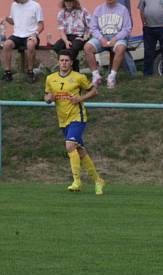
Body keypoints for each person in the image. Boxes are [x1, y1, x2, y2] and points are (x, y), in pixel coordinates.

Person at [44, 49, 107, 195]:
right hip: (63, 119)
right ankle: (98, 180)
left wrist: (80, 99)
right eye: (62, 60)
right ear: (58, 62)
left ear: (71, 63)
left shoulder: (79, 77)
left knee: (70, 145)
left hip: (77, 117)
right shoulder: (50, 78)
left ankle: (77, 181)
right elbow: (47, 96)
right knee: (79, 150)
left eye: (67, 60)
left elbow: (94, 91)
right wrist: (48, 99)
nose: (64, 63)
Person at [84, 0, 132, 89]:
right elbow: (93, 28)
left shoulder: (123, 9)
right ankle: (96, 76)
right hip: (102, 37)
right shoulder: (98, 9)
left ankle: (112, 77)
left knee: (121, 48)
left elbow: (127, 28)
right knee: (88, 47)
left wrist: (116, 38)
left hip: (117, 37)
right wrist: (101, 38)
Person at [2, 0, 44, 83]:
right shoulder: (14, 5)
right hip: (17, 35)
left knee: (30, 45)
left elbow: (41, 25)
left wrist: (35, 34)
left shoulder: (35, 5)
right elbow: (14, 21)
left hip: (31, 35)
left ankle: (30, 72)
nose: (14, 1)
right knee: (7, 44)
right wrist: (6, 18)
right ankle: (8, 73)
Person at [138, 0, 163, 76]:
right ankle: (147, 75)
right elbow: (141, 9)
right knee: (148, 52)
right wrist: (144, 23)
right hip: (149, 28)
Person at [53, 0, 90, 73]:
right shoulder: (61, 13)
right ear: (64, 2)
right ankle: (73, 63)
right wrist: (66, 41)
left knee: (74, 47)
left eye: (70, 1)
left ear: (74, 2)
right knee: (57, 47)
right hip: (67, 36)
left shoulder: (83, 11)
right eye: (67, 1)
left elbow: (89, 27)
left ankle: (69, 69)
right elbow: (62, 30)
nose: (68, 3)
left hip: (80, 36)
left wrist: (84, 38)